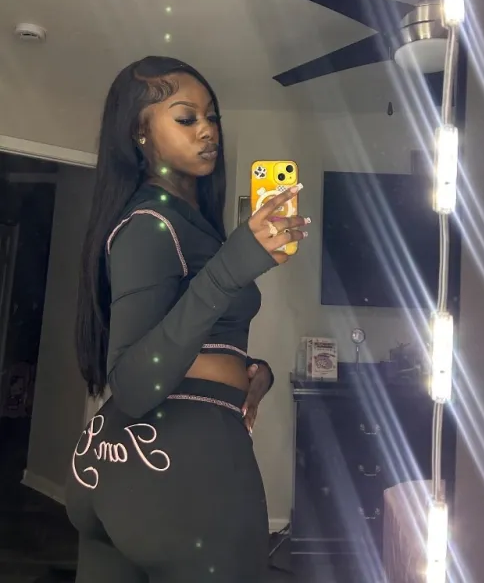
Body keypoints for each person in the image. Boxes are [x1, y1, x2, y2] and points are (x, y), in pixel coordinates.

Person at [65, 56, 309, 582]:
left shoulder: (187, 224)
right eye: (186, 118)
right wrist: (233, 264)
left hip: (124, 467)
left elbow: (185, 339)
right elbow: (132, 384)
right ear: (140, 133)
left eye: (212, 116)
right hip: (178, 468)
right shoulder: (148, 223)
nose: (207, 130)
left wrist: (254, 373)